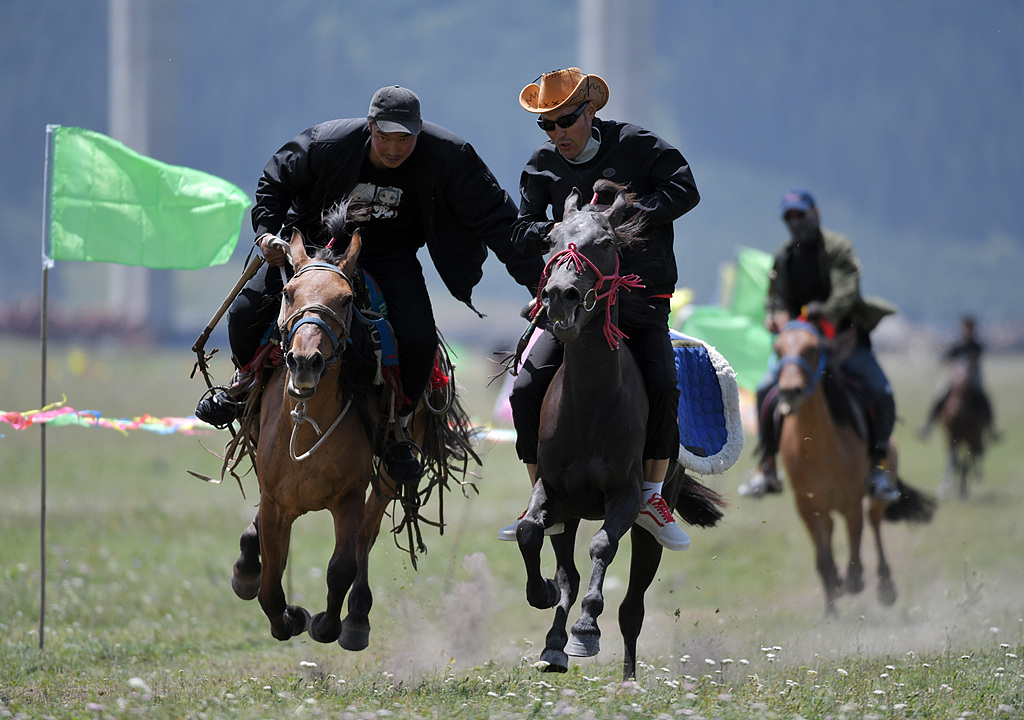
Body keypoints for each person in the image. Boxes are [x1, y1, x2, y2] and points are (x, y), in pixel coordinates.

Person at [194, 85, 544, 484]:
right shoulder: (327, 144)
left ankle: (395, 432)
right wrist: (266, 235)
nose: (394, 149)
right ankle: (244, 389)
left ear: (419, 132)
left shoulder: (450, 156)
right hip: (313, 245)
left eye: (405, 139)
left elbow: (499, 222)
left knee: (419, 341)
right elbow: (274, 182)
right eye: (384, 138)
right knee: (243, 313)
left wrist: (539, 284)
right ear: (369, 126)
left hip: (389, 254)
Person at [499, 68, 700, 551]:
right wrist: (557, 231)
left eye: (566, 120)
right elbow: (522, 230)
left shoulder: (639, 146)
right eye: (546, 125)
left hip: (639, 297)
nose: (557, 133)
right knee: (525, 389)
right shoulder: (542, 164)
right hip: (575, 305)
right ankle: (538, 498)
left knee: (663, 385)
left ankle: (652, 495)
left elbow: (685, 190)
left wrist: (620, 218)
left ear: (590, 110)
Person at [738, 188, 901, 502]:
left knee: (882, 392)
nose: (795, 221)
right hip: (801, 349)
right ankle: (767, 467)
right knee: (764, 391)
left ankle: (878, 467)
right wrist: (778, 319)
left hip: (844, 341)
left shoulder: (838, 247)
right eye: (789, 216)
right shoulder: (784, 257)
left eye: (800, 213)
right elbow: (778, 300)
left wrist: (822, 311)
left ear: (816, 213)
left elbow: (847, 291)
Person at [919, 314, 999, 439]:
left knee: (984, 399)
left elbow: (977, 360)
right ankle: (928, 427)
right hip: (956, 381)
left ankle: (991, 429)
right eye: (966, 328)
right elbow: (946, 357)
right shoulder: (957, 345)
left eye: (970, 328)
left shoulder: (976, 346)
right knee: (940, 396)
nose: (968, 331)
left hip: (973, 380)